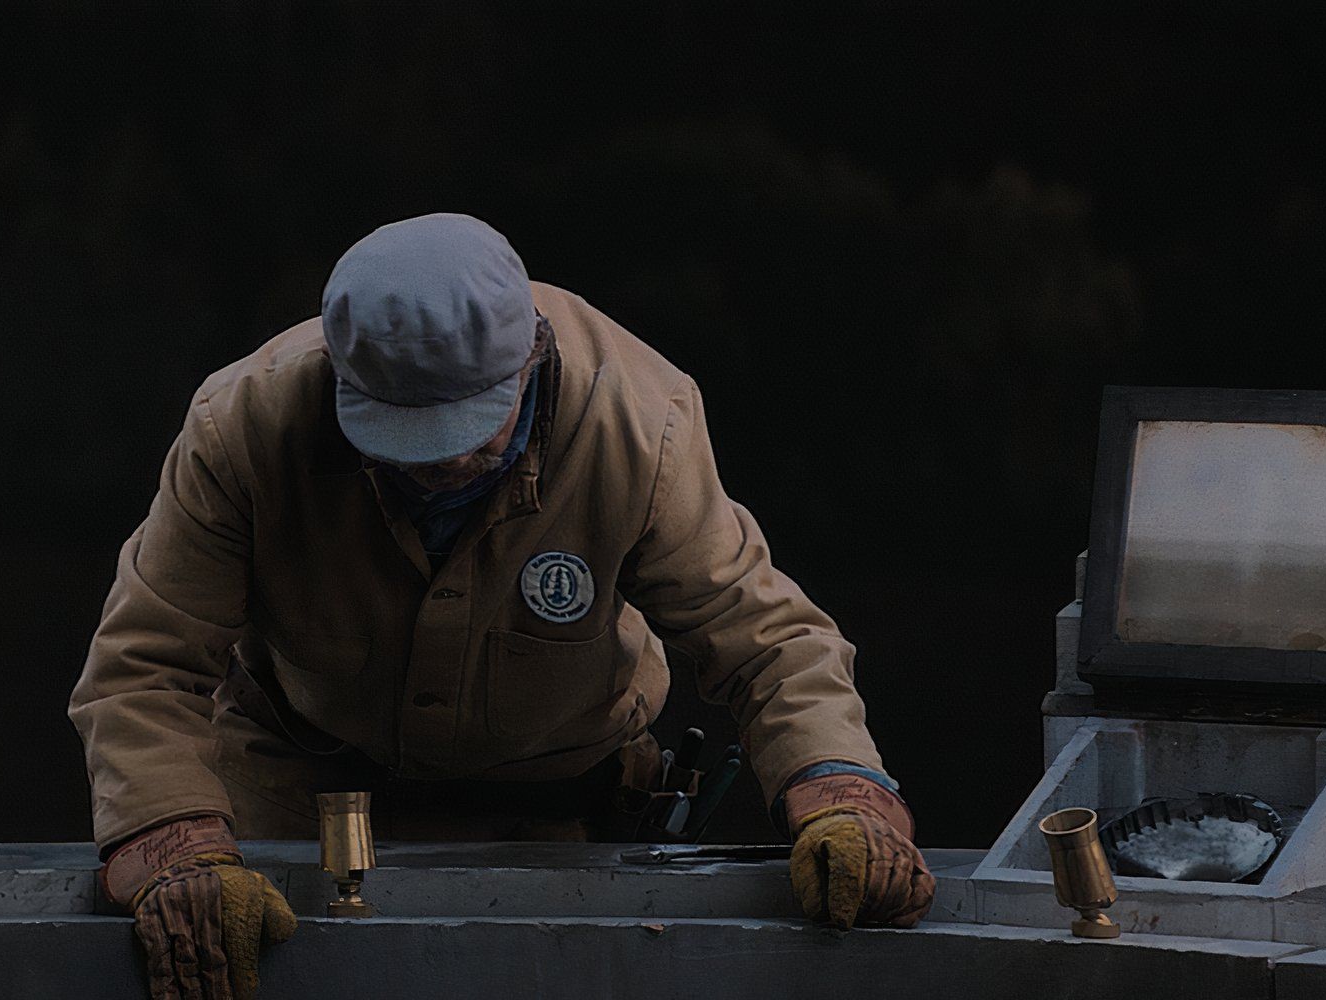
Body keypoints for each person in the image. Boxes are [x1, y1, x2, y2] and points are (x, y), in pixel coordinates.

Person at [69, 213, 934, 1000]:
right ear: (340, 374)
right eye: (400, 438)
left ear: (532, 355)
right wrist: (175, 845)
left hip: (559, 814)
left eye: (464, 434)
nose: (435, 469)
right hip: (297, 806)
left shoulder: (640, 425)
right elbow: (145, 666)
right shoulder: (242, 429)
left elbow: (766, 639)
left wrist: (841, 788)